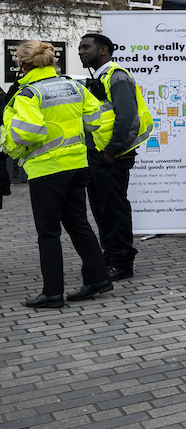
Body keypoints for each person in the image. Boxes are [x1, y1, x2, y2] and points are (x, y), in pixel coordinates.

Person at [3, 41, 110, 308]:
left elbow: (28, 132)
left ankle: (52, 293)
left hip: (47, 170)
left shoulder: (28, 94)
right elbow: (95, 120)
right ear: (51, 62)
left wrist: (12, 144)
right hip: (76, 166)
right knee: (78, 223)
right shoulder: (74, 86)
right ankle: (98, 278)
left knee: (48, 232)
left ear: (23, 65)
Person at [78, 33, 153, 281]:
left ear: (103, 50)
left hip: (111, 157)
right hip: (98, 156)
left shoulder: (117, 77)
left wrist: (111, 152)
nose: (81, 52)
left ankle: (121, 262)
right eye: (79, 48)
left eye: (85, 47)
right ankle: (110, 256)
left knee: (114, 209)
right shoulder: (98, 78)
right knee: (103, 209)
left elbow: (128, 118)